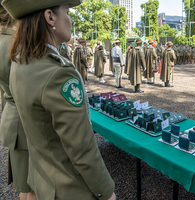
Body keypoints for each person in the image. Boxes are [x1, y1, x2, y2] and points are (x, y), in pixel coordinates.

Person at [3, 1, 116, 200]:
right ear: (50, 17)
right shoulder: (58, 74)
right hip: (69, 188)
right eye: (67, 11)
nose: (71, 19)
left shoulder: (21, 62)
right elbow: (81, 148)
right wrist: (106, 191)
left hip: (43, 179)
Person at [0, 5, 36, 200]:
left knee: (26, 185)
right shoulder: (16, 44)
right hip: (24, 121)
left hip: (12, 118)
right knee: (33, 188)